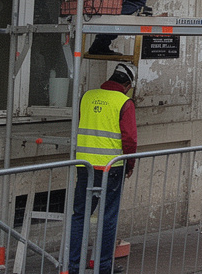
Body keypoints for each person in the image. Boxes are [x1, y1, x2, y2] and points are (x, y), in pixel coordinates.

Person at [69, 63, 137, 273]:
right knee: (107, 217)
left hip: (85, 165)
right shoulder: (124, 102)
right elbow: (130, 139)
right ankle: (103, 266)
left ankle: (73, 266)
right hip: (111, 167)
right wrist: (130, 164)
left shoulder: (87, 96)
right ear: (126, 84)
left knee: (80, 215)